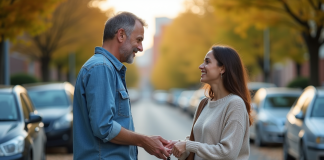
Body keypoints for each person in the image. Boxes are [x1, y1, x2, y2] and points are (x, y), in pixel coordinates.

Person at [73, 12, 171, 160]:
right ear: (121, 35)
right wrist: (144, 141)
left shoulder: (107, 68)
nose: (141, 47)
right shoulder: (101, 68)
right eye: (138, 40)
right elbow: (104, 127)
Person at [169, 45, 253, 160]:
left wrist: (187, 145)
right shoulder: (203, 104)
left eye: (207, 62)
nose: (200, 66)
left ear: (222, 68)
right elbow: (195, 146)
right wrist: (176, 146)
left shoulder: (235, 104)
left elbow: (228, 153)